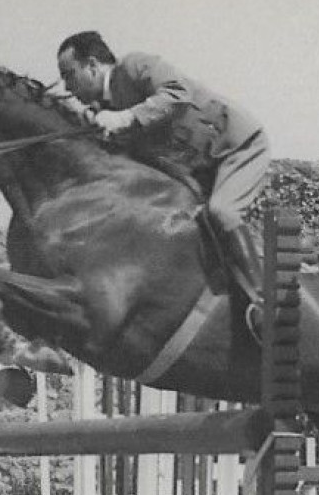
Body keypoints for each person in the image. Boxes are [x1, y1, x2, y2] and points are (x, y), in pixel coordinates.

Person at [56, 31, 270, 301]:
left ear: (92, 66)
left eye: (69, 75)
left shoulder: (133, 66)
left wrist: (127, 117)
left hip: (238, 146)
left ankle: (262, 301)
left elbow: (179, 91)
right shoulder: (104, 107)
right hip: (201, 167)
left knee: (221, 211)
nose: (66, 87)